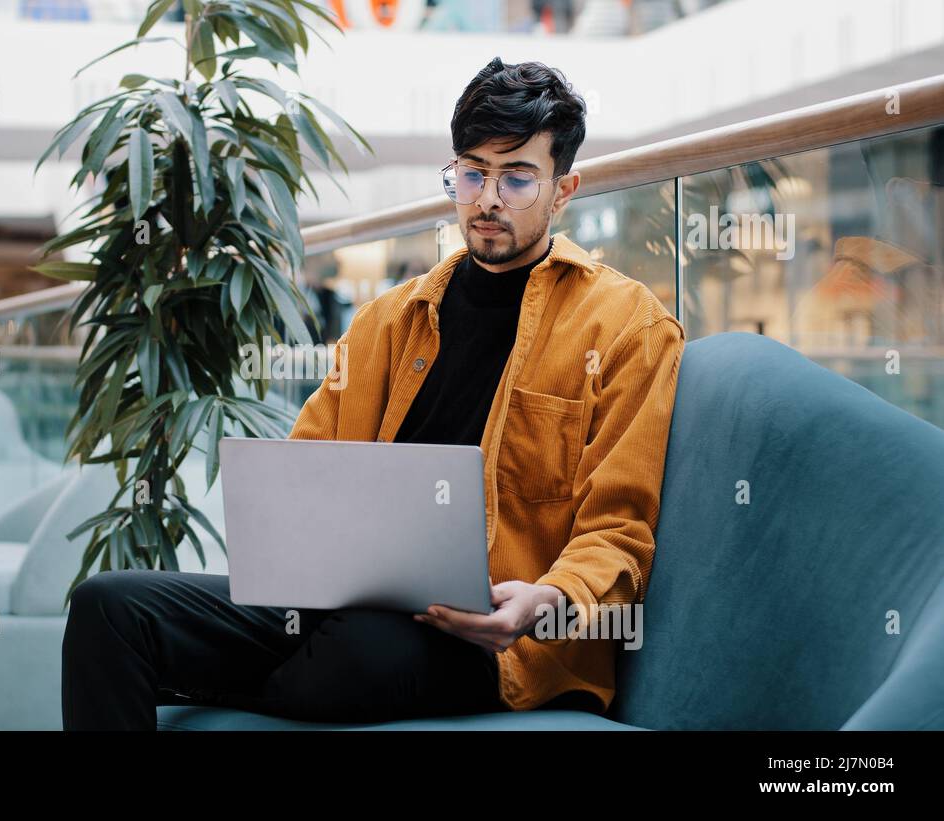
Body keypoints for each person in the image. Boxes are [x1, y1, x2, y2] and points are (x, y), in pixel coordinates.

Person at [62, 59, 686, 730]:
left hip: (498, 639)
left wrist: (544, 598)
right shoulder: (391, 318)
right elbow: (307, 466)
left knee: (353, 654)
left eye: (517, 178)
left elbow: (618, 533)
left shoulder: (628, 326)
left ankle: (219, 680)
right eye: (472, 172)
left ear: (564, 191)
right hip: (339, 609)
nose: (487, 199)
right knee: (107, 608)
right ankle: (245, 675)